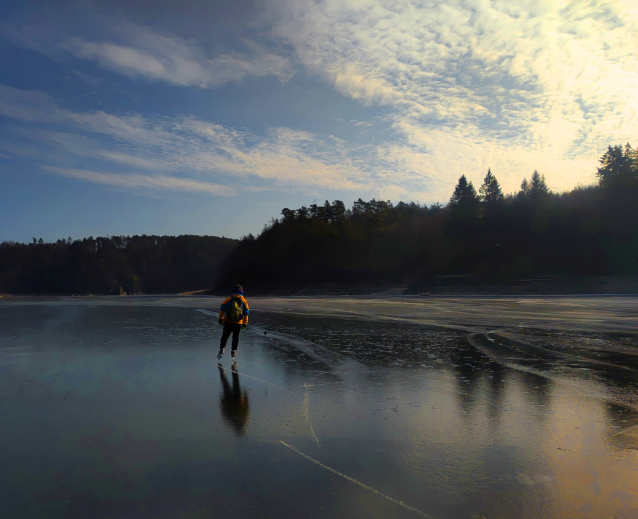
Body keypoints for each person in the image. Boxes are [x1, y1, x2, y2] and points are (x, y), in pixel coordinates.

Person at [217, 284, 249, 361]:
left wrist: (220, 318)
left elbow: (222, 309)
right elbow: (246, 313)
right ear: (242, 291)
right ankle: (234, 351)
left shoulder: (229, 299)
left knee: (224, 336)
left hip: (228, 321)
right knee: (235, 337)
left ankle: (222, 349)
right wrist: (245, 323)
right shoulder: (244, 300)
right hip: (238, 323)